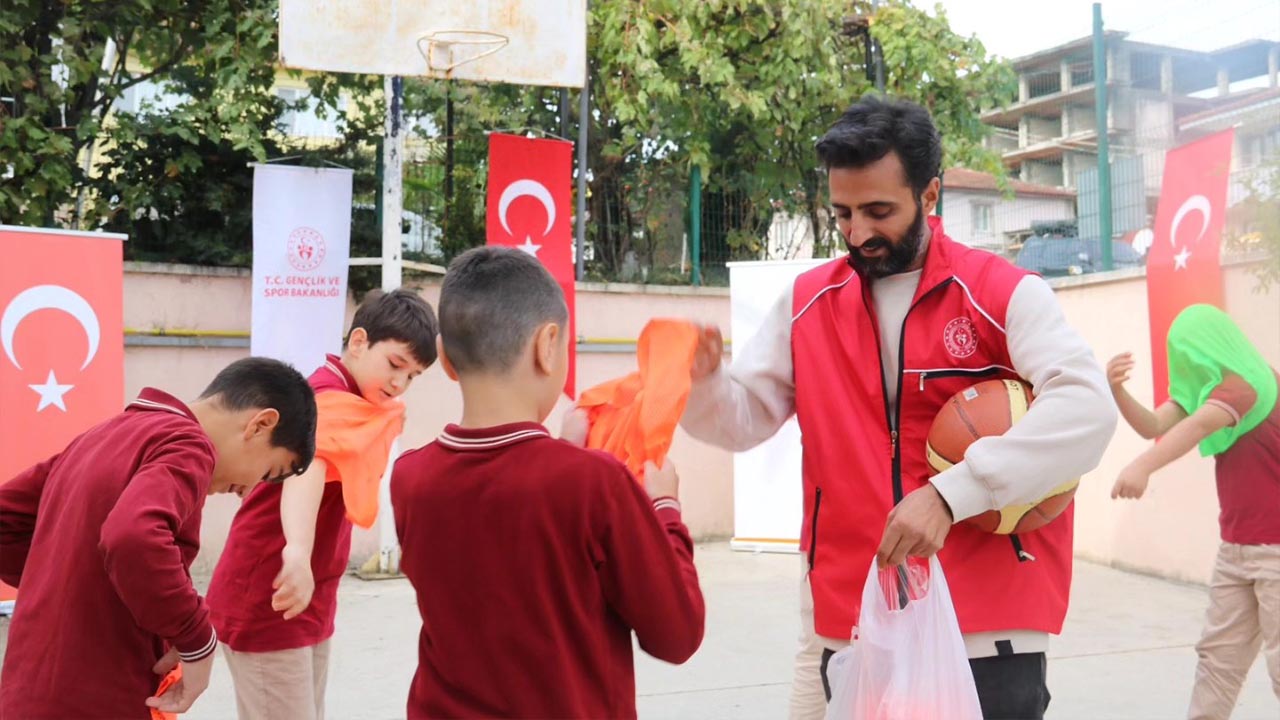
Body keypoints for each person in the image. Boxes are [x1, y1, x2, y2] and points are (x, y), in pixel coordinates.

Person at [679, 95, 1117, 720]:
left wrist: (951, 494)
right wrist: (703, 384)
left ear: (930, 195)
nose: (858, 232)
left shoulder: (1001, 292)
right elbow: (745, 417)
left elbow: (1087, 411)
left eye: (878, 211)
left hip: (984, 631)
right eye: (844, 213)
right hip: (855, 624)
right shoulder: (806, 303)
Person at [390, 247, 705, 719]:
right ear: (547, 344)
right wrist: (665, 508)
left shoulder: (410, 477)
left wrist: (566, 451)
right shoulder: (594, 483)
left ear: (445, 358)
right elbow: (677, 633)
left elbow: (507, 519)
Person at [0, 357, 317, 719]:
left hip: (28, 689)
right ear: (261, 424)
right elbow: (134, 537)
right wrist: (197, 638)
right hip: (100, 696)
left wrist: (77, 582)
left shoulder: (101, 435)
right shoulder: (189, 445)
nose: (246, 490)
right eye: (267, 472)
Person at [206, 289, 438, 720]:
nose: (399, 384)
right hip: (271, 592)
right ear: (358, 342)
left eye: (413, 376)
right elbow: (309, 469)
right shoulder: (326, 398)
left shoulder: (350, 399)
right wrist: (295, 550)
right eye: (395, 365)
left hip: (305, 593)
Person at [1108, 303, 1280, 719]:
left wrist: (1141, 467)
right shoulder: (1215, 392)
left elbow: (1197, 428)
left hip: (1275, 552)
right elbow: (1154, 425)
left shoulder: (1248, 386)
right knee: (1217, 663)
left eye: (1191, 351)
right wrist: (1117, 390)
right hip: (1236, 551)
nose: (1188, 361)